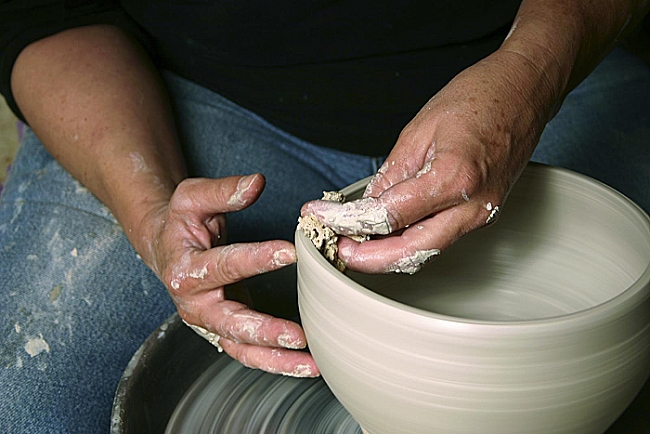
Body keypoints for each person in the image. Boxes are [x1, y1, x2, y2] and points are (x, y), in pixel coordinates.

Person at [1, 0, 649, 432]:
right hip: (187, 91)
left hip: (541, 58)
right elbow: (43, 12)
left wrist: (534, 74)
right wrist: (149, 207)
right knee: (29, 407)